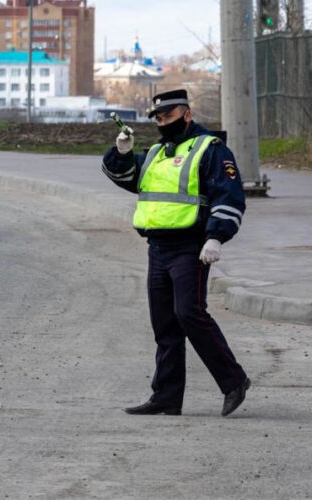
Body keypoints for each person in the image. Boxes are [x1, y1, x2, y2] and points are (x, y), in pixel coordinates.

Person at [102, 89, 250, 417]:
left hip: (191, 246)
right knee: (165, 323)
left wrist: (216, 238)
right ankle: (166, 395)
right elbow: (129, 179)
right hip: (158, 247)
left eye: (168, 117)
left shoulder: (210, 149)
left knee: (189, 313)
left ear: (186, 114)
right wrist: (121, 152)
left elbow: (230, 196)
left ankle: (234, 381)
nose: (162, 123)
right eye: (158, 119)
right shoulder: (157, 152)